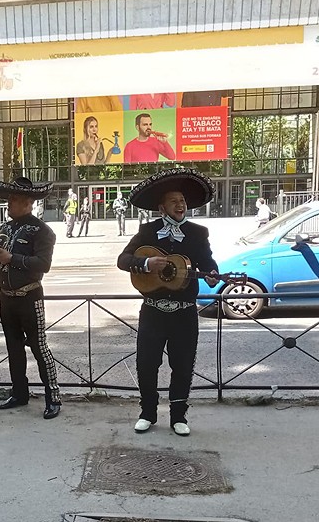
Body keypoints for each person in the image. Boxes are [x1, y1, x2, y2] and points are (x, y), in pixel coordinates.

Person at [117, 168, 219, 437]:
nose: (180, 204)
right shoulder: (147, 232)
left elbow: (208, 262)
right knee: (147, 363)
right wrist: (146, 263)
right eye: (174, 201)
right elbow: (123, 260)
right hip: (153, 312)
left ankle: (178, 416)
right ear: (162, 208)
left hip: (184, 314)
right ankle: (147, 413)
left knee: (182, 365)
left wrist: (212, 274)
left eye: (182, 200)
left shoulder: (198, 233)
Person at [0, 177, 62, 420]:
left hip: (30, 296)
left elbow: (43, 264)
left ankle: (53, 397)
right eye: (9, 199)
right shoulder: (3, 229)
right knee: (14, 348)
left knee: (39, 347)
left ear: (29, 203)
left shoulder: (43, 231)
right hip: (6, 298)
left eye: (15, 199)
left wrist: (12, 259)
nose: (9, 203)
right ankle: (19, 393)